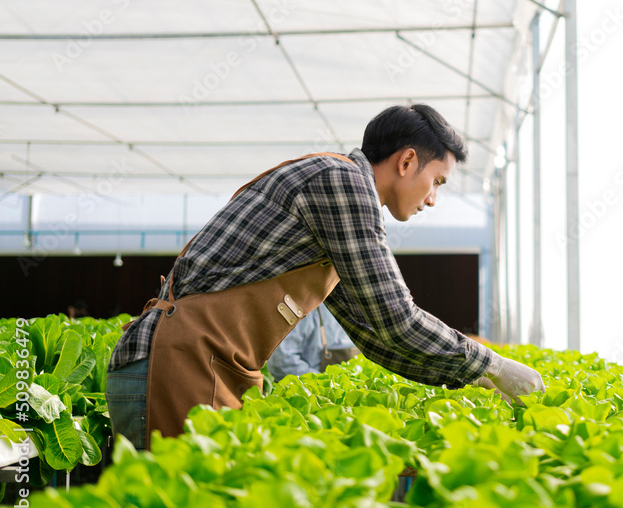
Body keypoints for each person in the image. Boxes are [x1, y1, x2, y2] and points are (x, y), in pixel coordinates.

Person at [105, 103, 544, 449]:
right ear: (408, 161)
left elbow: (375, 335)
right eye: (438, 182)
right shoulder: (343, 184)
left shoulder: (339, 195)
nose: (433, 200)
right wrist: (492, 364)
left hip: (199, 365)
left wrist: (468, 375)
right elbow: (396, 317)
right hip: (174, 366)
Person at [268, 302, 359, 379]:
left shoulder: (354, 303)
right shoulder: (304, 305)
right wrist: (323, 382)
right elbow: (281, 361)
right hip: (309, 393)